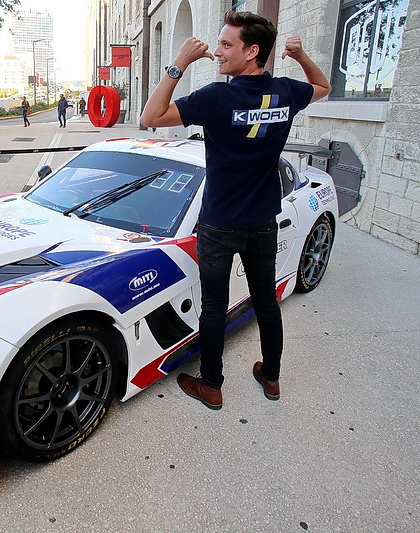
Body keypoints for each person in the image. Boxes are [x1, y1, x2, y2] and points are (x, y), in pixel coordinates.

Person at [141, 11, 331, 408]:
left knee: (214, 305)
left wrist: (180, 62)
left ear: (253, 51)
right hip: (262, 220)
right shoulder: (284, 92)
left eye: (228, 44)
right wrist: (300, 56)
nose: (218, 51)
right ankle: (272, 379)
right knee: (265, 300)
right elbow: (323, 85)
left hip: (220, 222)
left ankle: (212, 386)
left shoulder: (216, 97)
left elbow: (150, 118)